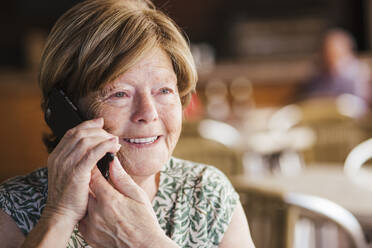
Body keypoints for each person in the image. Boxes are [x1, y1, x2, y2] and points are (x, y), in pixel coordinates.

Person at [0, 0, 255, 247]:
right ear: (65, 108)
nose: (148, 113)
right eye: (119, 94)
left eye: (164, 91)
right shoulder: (14, 207)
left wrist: (146, 242)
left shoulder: (207, 195)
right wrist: (60, 214)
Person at [298, 29, 371, 105]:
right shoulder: (316, 74)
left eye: (335, 53)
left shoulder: (358, 73)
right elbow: (310, 100)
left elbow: (360, 104)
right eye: (327, 53)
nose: (330, 57)